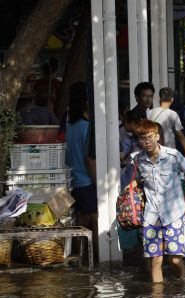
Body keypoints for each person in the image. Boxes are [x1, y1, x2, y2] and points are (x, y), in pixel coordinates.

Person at [131, 120, 185, 283]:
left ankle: (182, 285)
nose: (146, 142)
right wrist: (129, 187)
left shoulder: (173, 156)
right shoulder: (138, 159)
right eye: (142, 138)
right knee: (155, 261)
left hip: (174, 215)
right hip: (151, 217)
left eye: (149, 137)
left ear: (157, 136)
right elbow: (140, 180)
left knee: (174, 260)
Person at [65, 81, 98, 262]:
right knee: (97, 223)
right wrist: (97, 182)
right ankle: (99, 261)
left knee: (81, 224)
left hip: (75, 181)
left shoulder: (70, 123)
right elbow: (89, 158)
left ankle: (80, 259)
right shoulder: (87, 126)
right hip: (87, 181)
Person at [147, 87, 185, 164]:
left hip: (152, 150)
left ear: (159, 98)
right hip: (168, 152)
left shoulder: (149, 112)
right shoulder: (173, 114)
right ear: (172, 99)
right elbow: (180, 135)